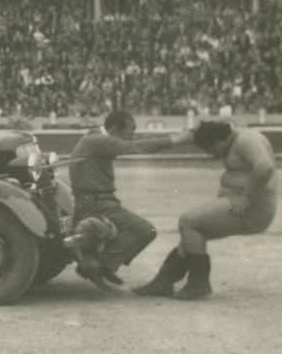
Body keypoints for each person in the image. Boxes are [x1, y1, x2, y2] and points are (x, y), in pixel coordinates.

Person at [134, 121, 276, 300]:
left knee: (188, 221)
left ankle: (198, 283)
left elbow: (265, 167)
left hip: (252, 207)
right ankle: (164, 281)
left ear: (218, 140)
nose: (209, 154)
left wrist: (246, 197)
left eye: (209, 148)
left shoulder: (246, 140)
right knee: (192, 234)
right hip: (245, 204)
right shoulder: (234, 136)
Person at [68, 110, 193, 290]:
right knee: (146, 230)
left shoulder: (96, 138)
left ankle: (103, 264)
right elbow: (136, 146)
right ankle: (96, 265)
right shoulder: (97, 141)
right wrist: (176, 140)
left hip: (98, 200)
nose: (130, 136)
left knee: (134, 230)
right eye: (129, 131)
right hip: (96, 203)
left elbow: (133, 141)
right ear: (114, 129)